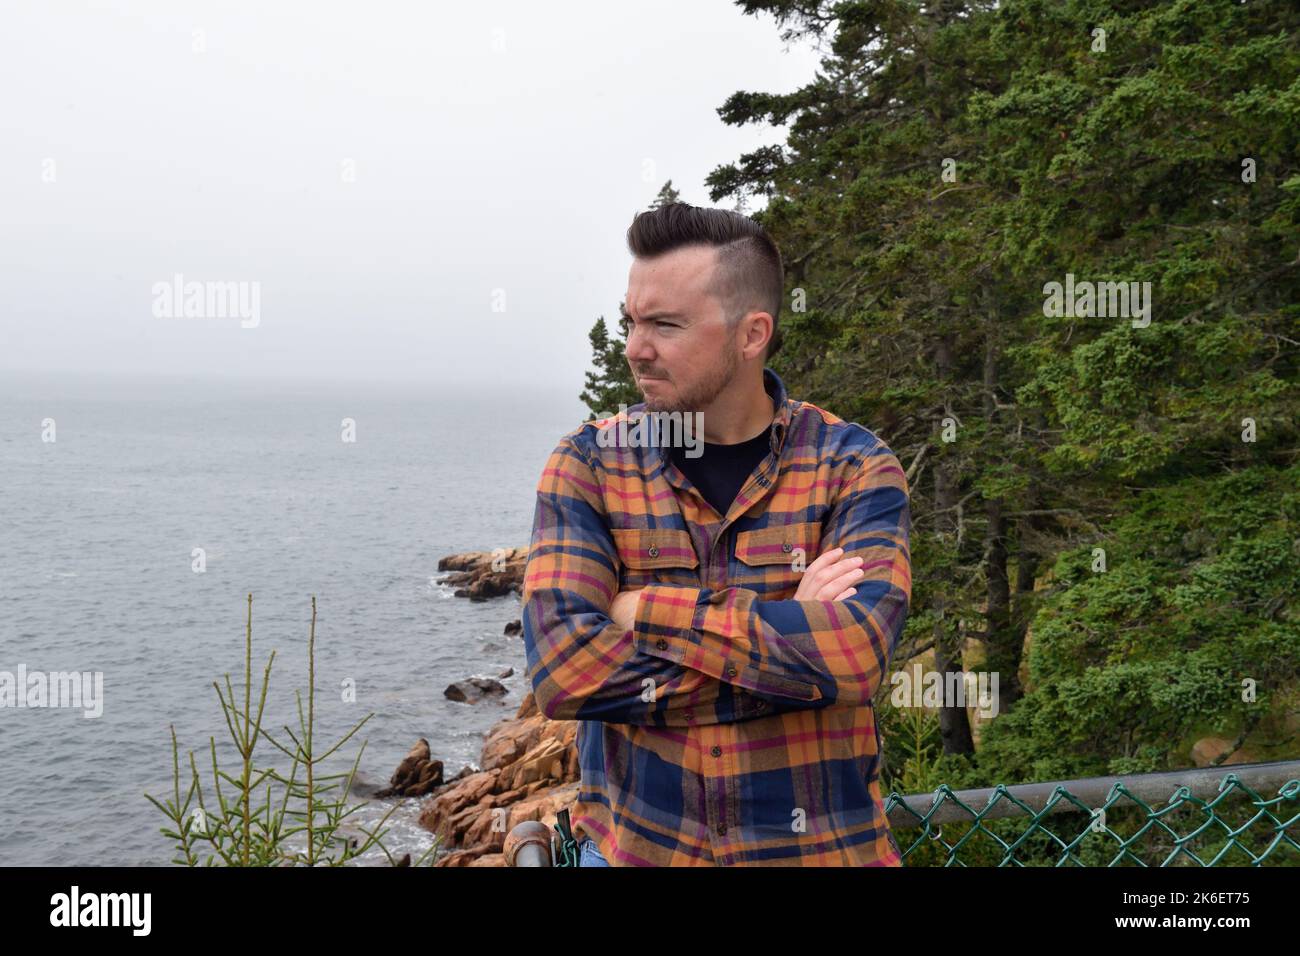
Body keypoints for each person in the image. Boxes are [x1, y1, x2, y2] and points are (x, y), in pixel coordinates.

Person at [524, 201, 911, 866]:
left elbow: (853, 657)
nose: (634, 349)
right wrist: (790, 637)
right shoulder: (589, 464)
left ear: (750, 334)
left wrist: (639, 609)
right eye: (632, 322)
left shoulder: (853, 465)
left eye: (665, 325)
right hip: (642, 852)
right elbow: (564, 672)